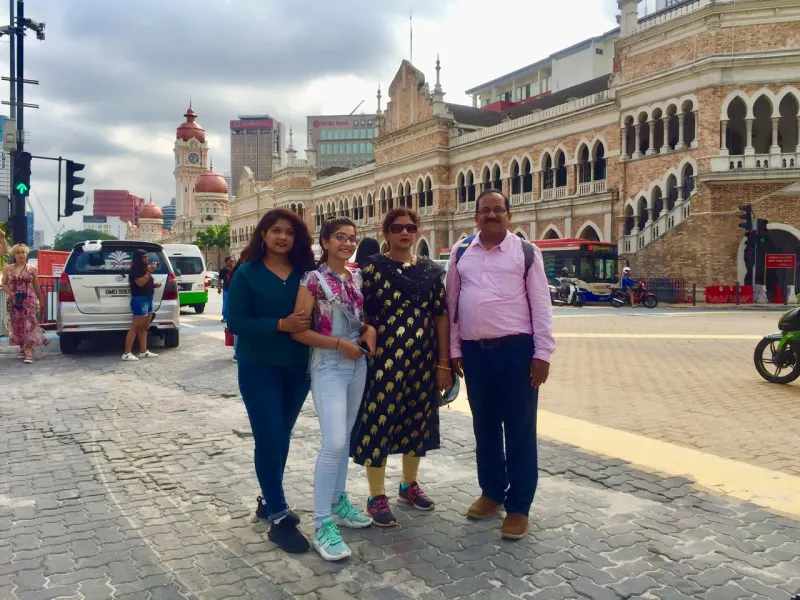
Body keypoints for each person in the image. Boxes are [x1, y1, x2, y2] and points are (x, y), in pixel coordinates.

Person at [446, 190, 555, 541]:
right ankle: (492, 492)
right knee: (486, 426)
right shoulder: (461, 251)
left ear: (509, 215)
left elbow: (541, 305)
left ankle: (519, 507)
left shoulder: (525, 252)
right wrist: (453, 348)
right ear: (475, 216)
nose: (491, 215)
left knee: (520, 429)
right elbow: (452, 303)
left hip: (517, 351)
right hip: (476, 353)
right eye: (485, 211)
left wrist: (542, 354)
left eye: (498, 210)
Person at [351, 208, 450, 527]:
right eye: (397, 228)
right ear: (386, 232)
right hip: (384, 358)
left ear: (417, 231)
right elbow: (360, 310)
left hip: (423, 358)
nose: (404, 233)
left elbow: (440, 316)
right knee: (379, 420)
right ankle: (376, 495)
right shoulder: (372, 269)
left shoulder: (432, 271)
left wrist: (443, 363)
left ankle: (409, 485)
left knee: (417, 421)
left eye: (410, 227)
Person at [227, 209, 316, 554]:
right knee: (269, 435)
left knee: (282, 435)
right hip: (258, 366)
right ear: (262, 234)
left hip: (298, 367)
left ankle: (268, 498)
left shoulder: (305, 274)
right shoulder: (246, 274)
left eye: (289, 233)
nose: (282, 237)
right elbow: (235, 321)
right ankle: (279, 518)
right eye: (276, 230)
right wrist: (279, 325)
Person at [292, 217, 376, 561]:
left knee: (345, 436)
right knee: (334, 442)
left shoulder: (355, 277)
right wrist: (339, 346)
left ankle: (339, 501)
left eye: (352, 238)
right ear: (325, 242)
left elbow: (362, 319)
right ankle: (322, 523)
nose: (347, 243)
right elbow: (298, 332)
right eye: (340, 237)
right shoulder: (311, 280)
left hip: (358, 363)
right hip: (328, 365)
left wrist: (369, 332)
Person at [2, 244, 49, 363]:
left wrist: (41, 301)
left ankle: (30, 351)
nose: (21, 255)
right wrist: (11, 293)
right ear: (14, 255)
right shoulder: (8, 268)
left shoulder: (32, 268)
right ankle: (22, 346)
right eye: (18, 253)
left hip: (29, 301)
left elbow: (36, 286)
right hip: (14, 301)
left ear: (26, 254)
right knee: (17, 325)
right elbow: (4, 284)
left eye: (23, 253)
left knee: (30, 324)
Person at [122, 249, 161, 361]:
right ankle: (126, 353)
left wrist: (154, 285)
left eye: (147, 257)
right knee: (135, 327)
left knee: (144, 327)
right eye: (144, 257)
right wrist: (149, 272)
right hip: (139, 300)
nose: (146, 259)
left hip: (148, 298)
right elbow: (140, 283)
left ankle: (143, 351)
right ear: (138, 259)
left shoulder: (144, 270)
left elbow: (146, 283)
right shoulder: (135, 270)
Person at [218, 256, 234, 323]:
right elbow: (219, 279)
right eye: (230, 261)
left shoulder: (235, 269)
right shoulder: (222, 270)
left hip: (234, 289)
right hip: (226, 289)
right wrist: (219, 287)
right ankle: (225, 317)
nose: (232, 262)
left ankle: (233, 316)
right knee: (226, 303)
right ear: (226, 262)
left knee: (234, 303)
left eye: (232, 261)